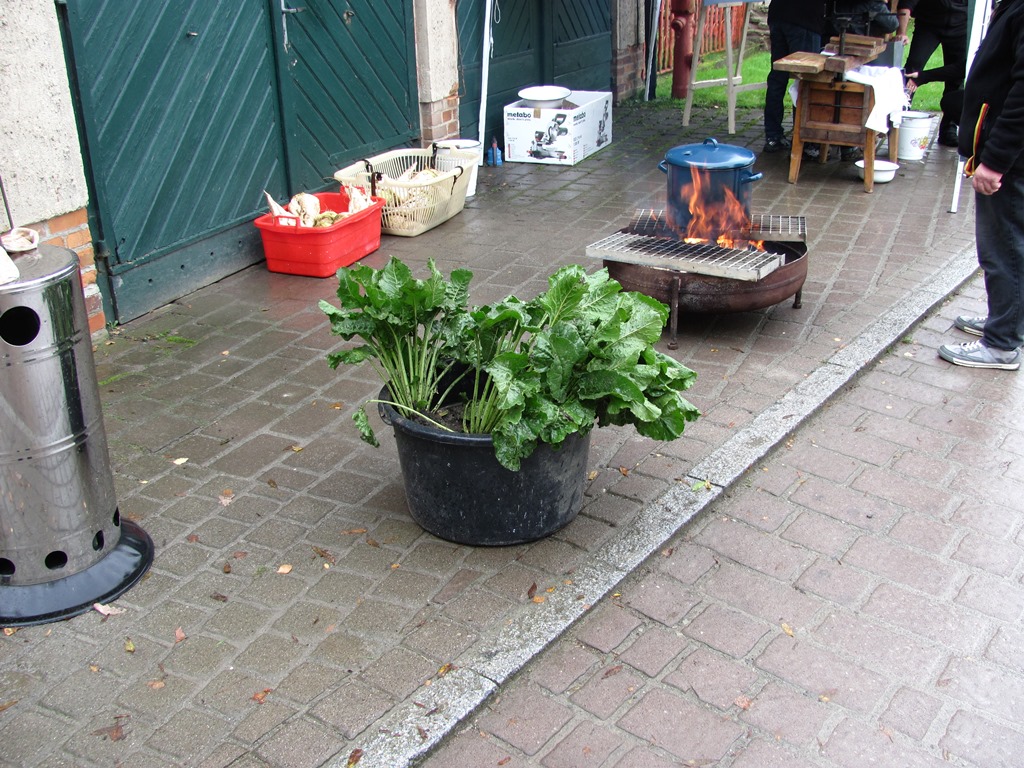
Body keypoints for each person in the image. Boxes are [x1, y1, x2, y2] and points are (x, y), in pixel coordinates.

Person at [938, 0, 1024, 370]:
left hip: (1010, 161)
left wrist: (995, 160)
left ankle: (1002, 344)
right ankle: (1003, 322)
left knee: (1003, 248)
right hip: (1006, 155)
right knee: (1006, 246)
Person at [895, 0, 969, 146]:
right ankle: (897, 120)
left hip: (961, 26)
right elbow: (907, 3)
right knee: (911, 70)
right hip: (928, 24)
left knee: (955, 79)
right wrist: (902, 32)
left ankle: (948, 130)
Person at [763, 0, 827, 154]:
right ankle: (805, 142)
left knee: (777, 78)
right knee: (806, 80)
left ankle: (773, 137)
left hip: (779, 14)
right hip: (804, 17)